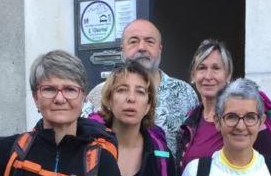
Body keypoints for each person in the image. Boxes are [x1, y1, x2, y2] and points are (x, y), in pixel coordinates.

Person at [82, 18, 197, 162]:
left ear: (160, 48)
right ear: (122, 48)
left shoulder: (185, 93)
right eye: (133, 41)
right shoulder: (99, 93)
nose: (142, 47)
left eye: (149, 41)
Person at [178, 39, 271, 172]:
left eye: (216, 68)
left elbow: (270, 174)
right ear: (194, 75)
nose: (208, 76)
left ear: (228, 75)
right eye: (202, 68)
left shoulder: (248, 120)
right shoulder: (191, 120)